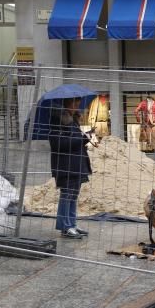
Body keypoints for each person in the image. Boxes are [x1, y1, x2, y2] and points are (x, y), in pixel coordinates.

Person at [49, 98, 94, 239]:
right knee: (66, 195)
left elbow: (76, 141)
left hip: (76, 164)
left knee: (73, 196)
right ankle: (65, 226)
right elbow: (58, 144)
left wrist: (86, 136)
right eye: (74, 103)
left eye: (78, 103)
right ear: (66, 104)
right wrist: (81, 139)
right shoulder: (57, 122)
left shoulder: (73, 121)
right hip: (66, 165)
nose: (77, 106)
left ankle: (72, 224)